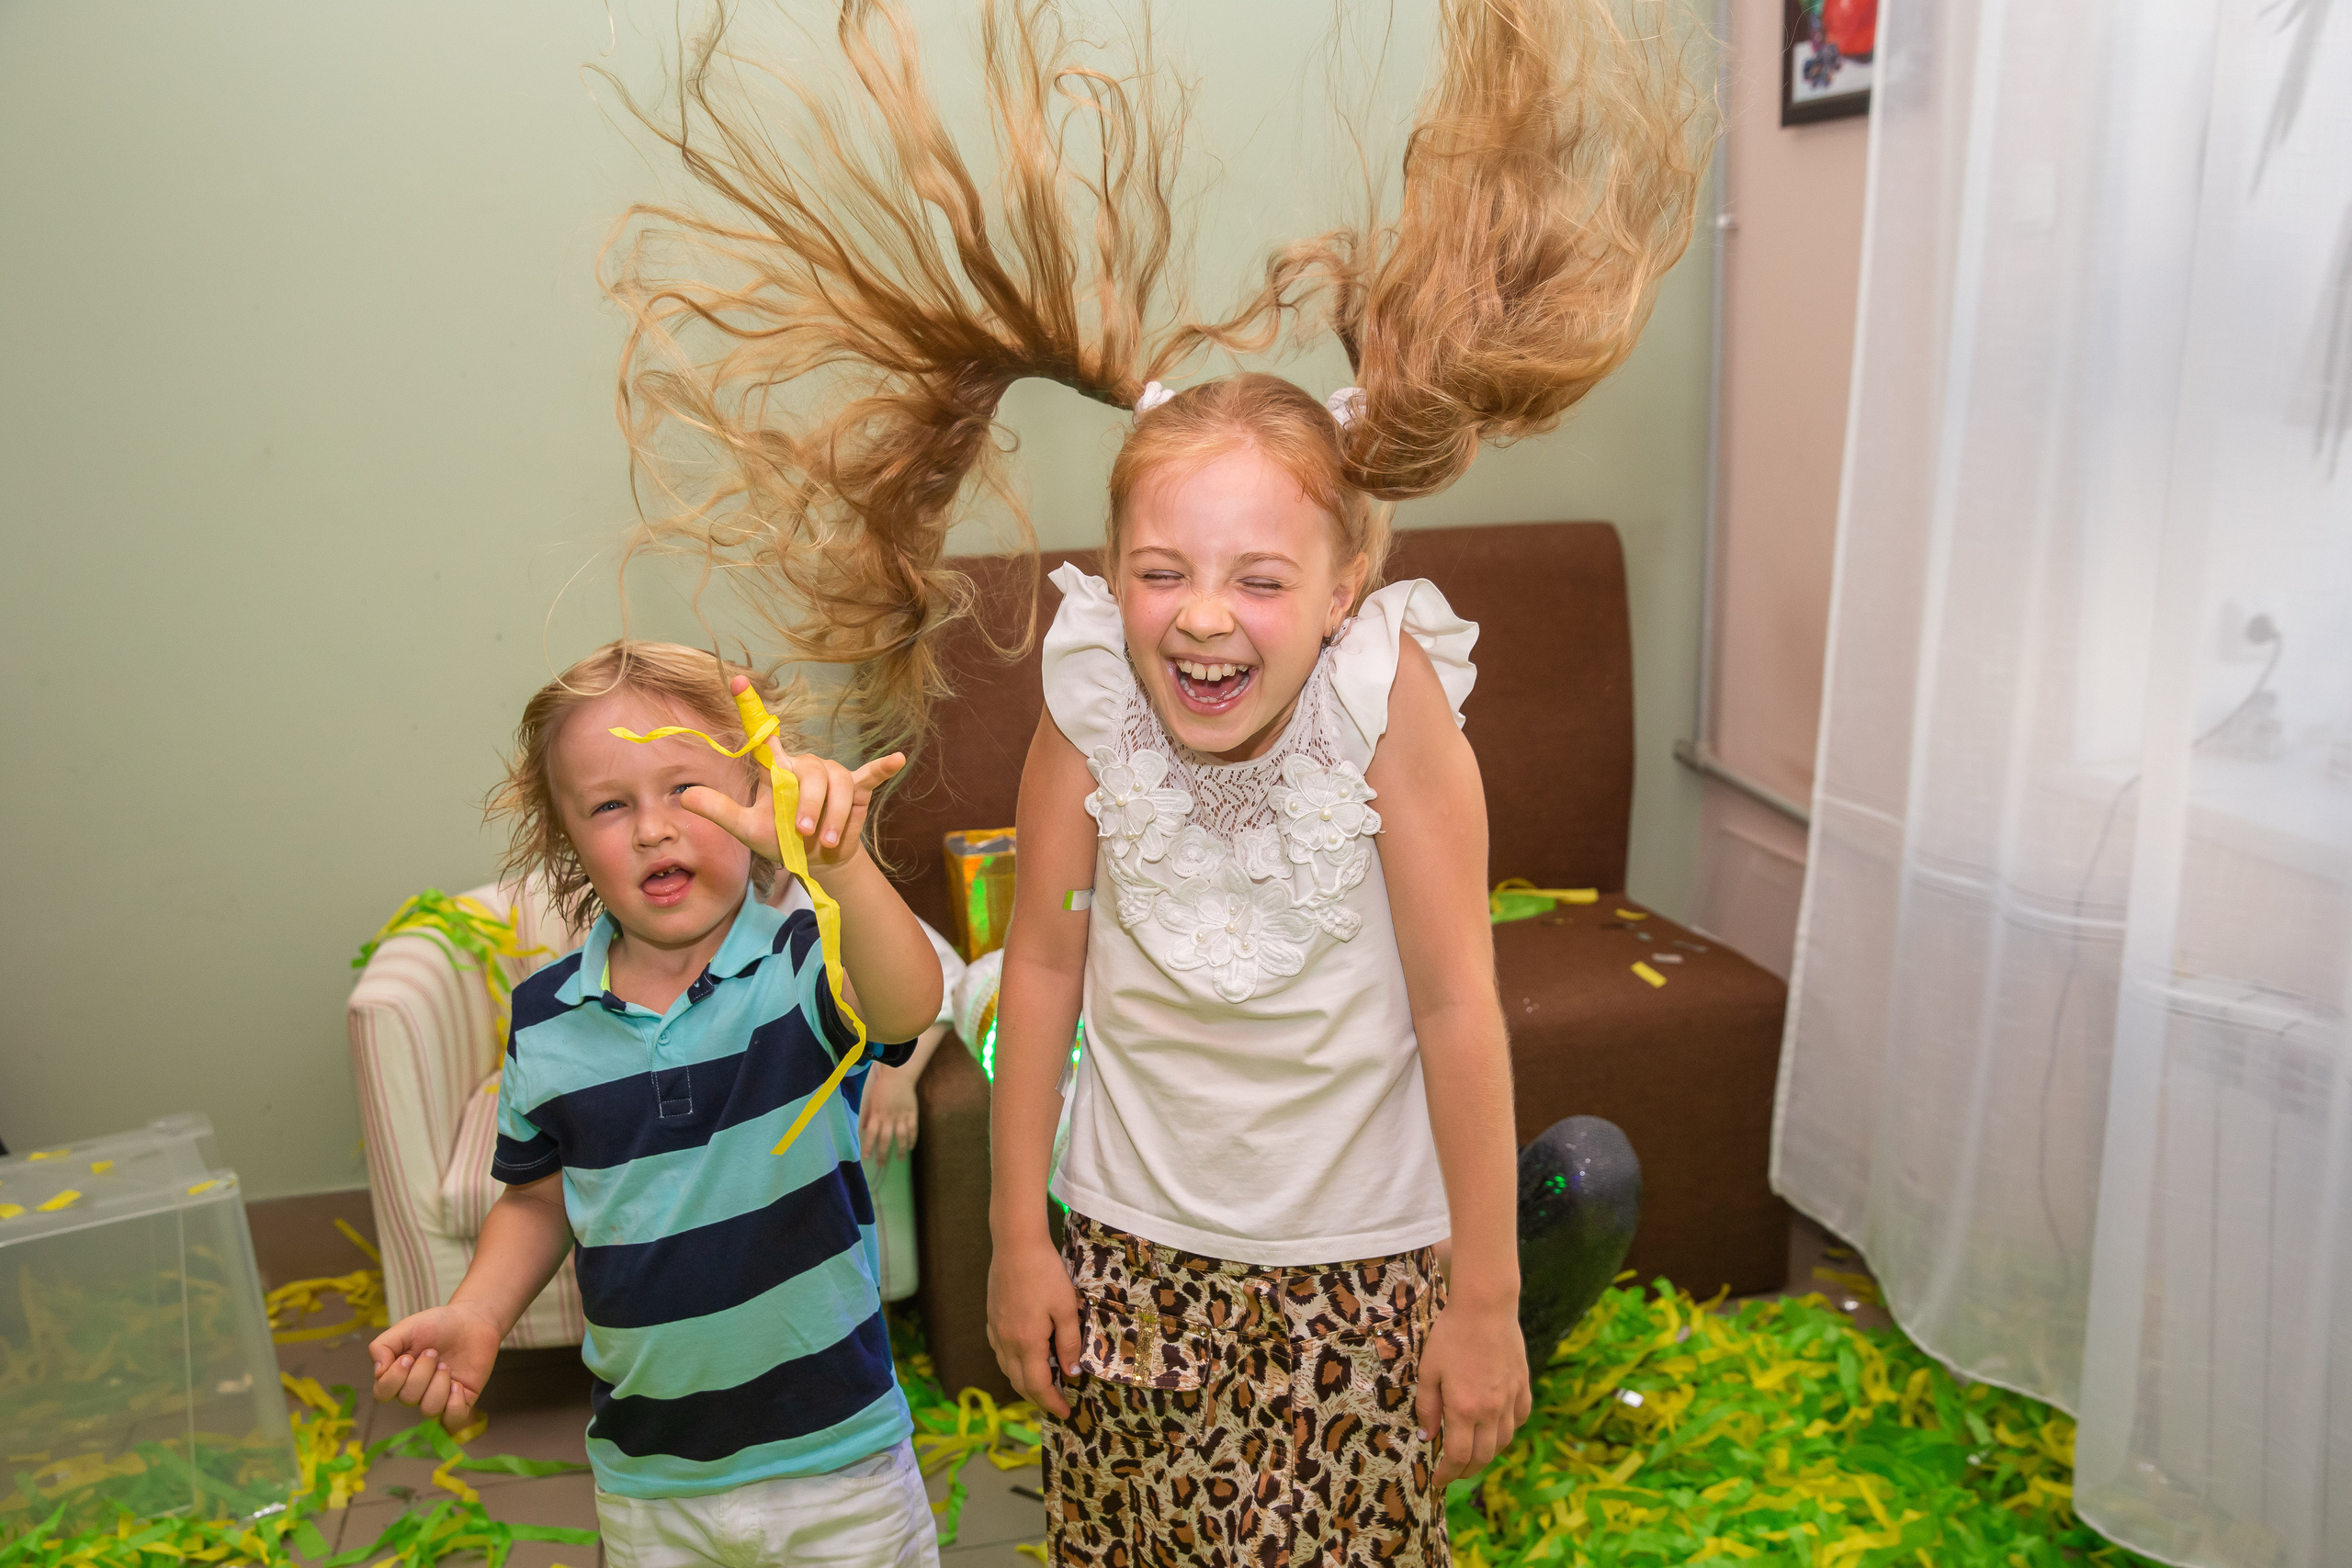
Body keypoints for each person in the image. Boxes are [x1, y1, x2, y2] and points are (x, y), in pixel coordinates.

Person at [596, 1, 1704, 1559]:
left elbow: (1460, 1003)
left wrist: (1484, 1292)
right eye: (1162, 570)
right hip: (1130, 1253)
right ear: (1109, 576)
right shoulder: (1093, 703)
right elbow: (1041, 962)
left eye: (1259, 578)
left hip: (1362, 1260)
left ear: (1340, 587)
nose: (1200, 614)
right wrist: (1017, 1236)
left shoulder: (1392, 707)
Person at [368, 640, 946, 1568]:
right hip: (652, 1484)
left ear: (759, 800)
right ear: (565, 841)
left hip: (838, 1465)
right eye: (609, 805)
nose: (651, 829)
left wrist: (835, 863)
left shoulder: (803, 965)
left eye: (686, 791)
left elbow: (908, 1003)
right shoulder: (545, 1020)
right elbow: (538, 1194)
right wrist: (477, 1313)